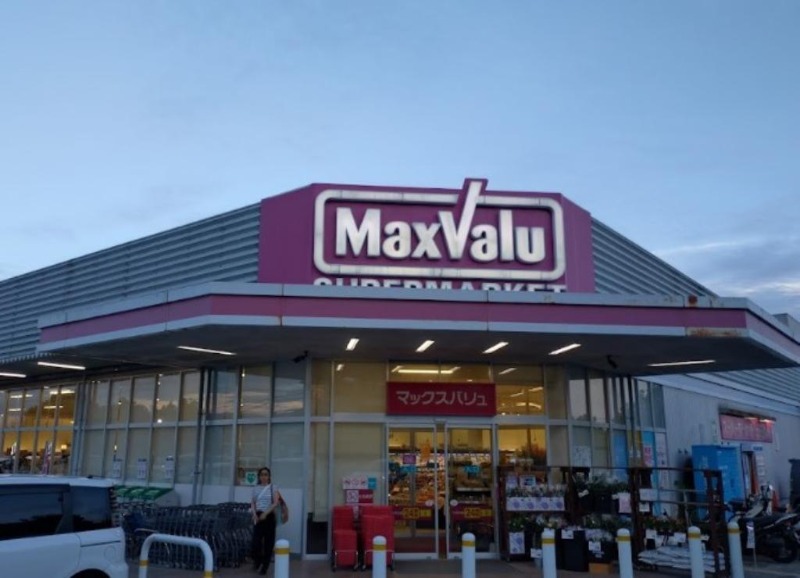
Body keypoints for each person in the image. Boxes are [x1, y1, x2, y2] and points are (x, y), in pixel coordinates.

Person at [251, 467, 282, 575]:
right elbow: (253, 502)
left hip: (269, 517)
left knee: (268, 544)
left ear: (269, 477)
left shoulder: (273, 487)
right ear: (259, 477)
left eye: (266, 474)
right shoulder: (256, 488)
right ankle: (258, 561)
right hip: (258, 517)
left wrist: (266, 513)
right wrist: (254, 514)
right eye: (262, 475)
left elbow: (275, 503)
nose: (264, 477)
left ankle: (264, 567)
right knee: (255, 543)